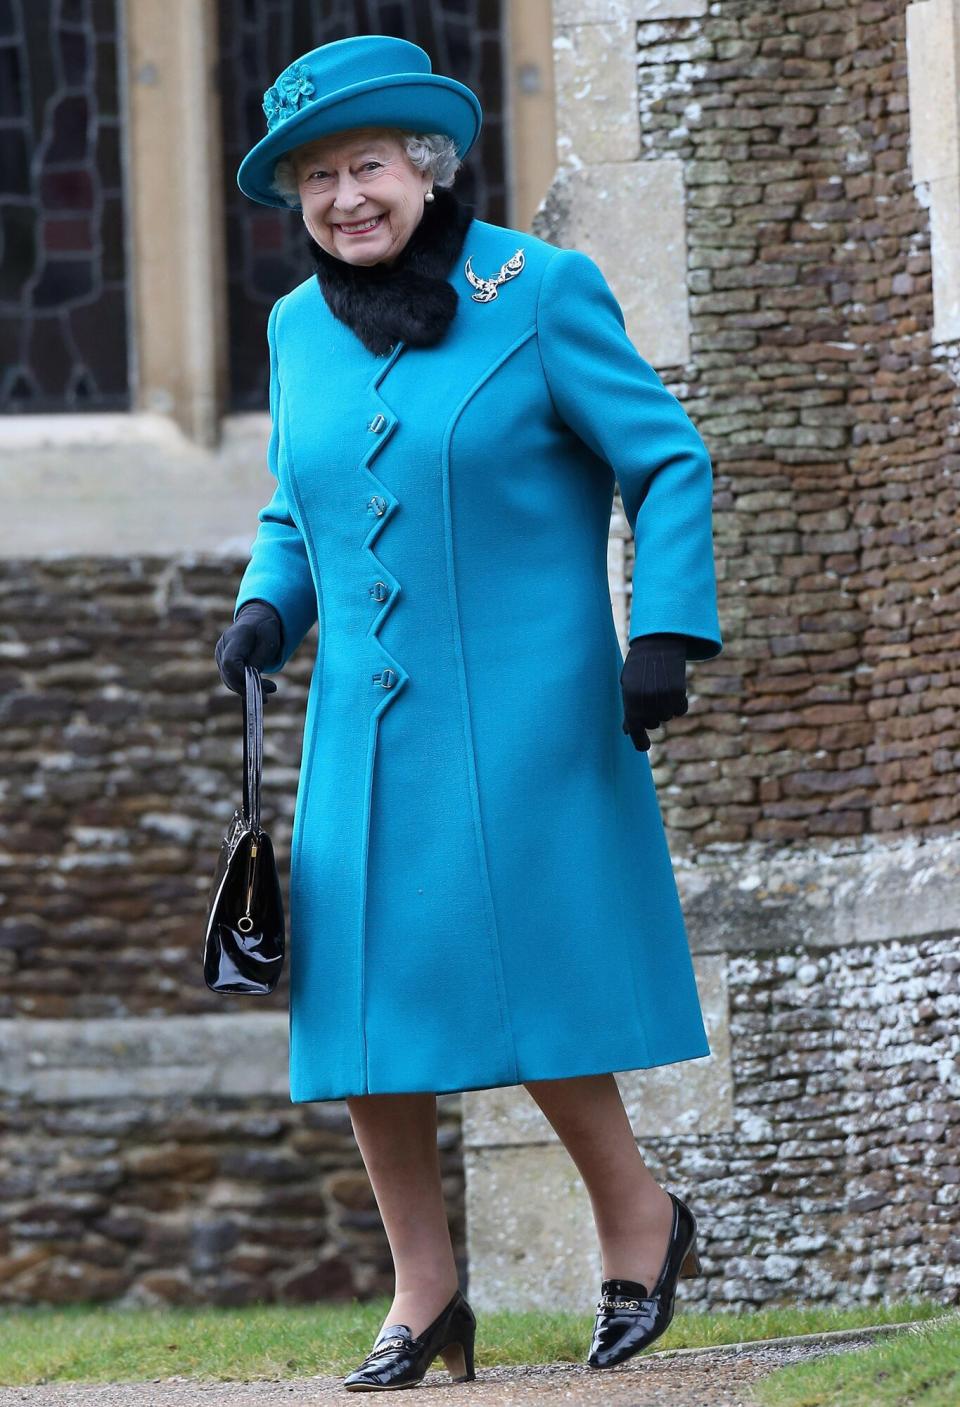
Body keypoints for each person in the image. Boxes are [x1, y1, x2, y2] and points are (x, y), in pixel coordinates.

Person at [215, 34, 723, 1392]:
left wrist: (664, 627)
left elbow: (668, 459)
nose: (343, 199)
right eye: (316, 178)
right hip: (362, 727)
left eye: (366, 166)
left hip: (531, 711)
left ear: (428, 171)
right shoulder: (293, 329)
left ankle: (638, 1221)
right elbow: (296, 504)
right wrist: (270, 607)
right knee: (363, 1007)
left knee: (541, 978)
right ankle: (426, 1290)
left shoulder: (537, 290)